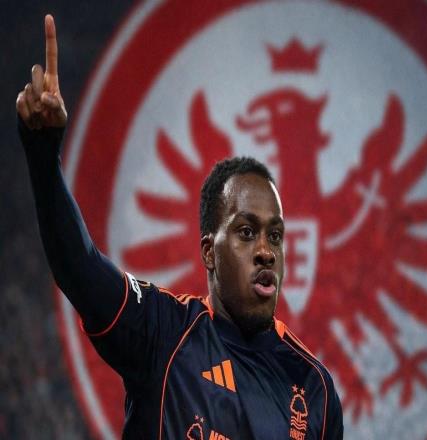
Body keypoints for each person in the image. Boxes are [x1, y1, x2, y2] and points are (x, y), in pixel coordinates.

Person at [16, 15, 343, 439]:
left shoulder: (315, 390)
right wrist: (43, 156)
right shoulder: (163, 333)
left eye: (275, 236)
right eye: (246, 233)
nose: (266, 251)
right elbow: (79, 267)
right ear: (209, 251)